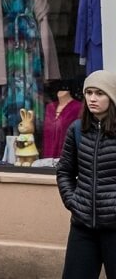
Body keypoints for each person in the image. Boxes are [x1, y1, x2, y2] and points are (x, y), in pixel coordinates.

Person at [57, 69, 116, 277]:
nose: (92, 98)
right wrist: (73, 201)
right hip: (83, 227)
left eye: (99, 93)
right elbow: (64, 171)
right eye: (89, 93)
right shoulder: (76, 130)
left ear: (112, 96)